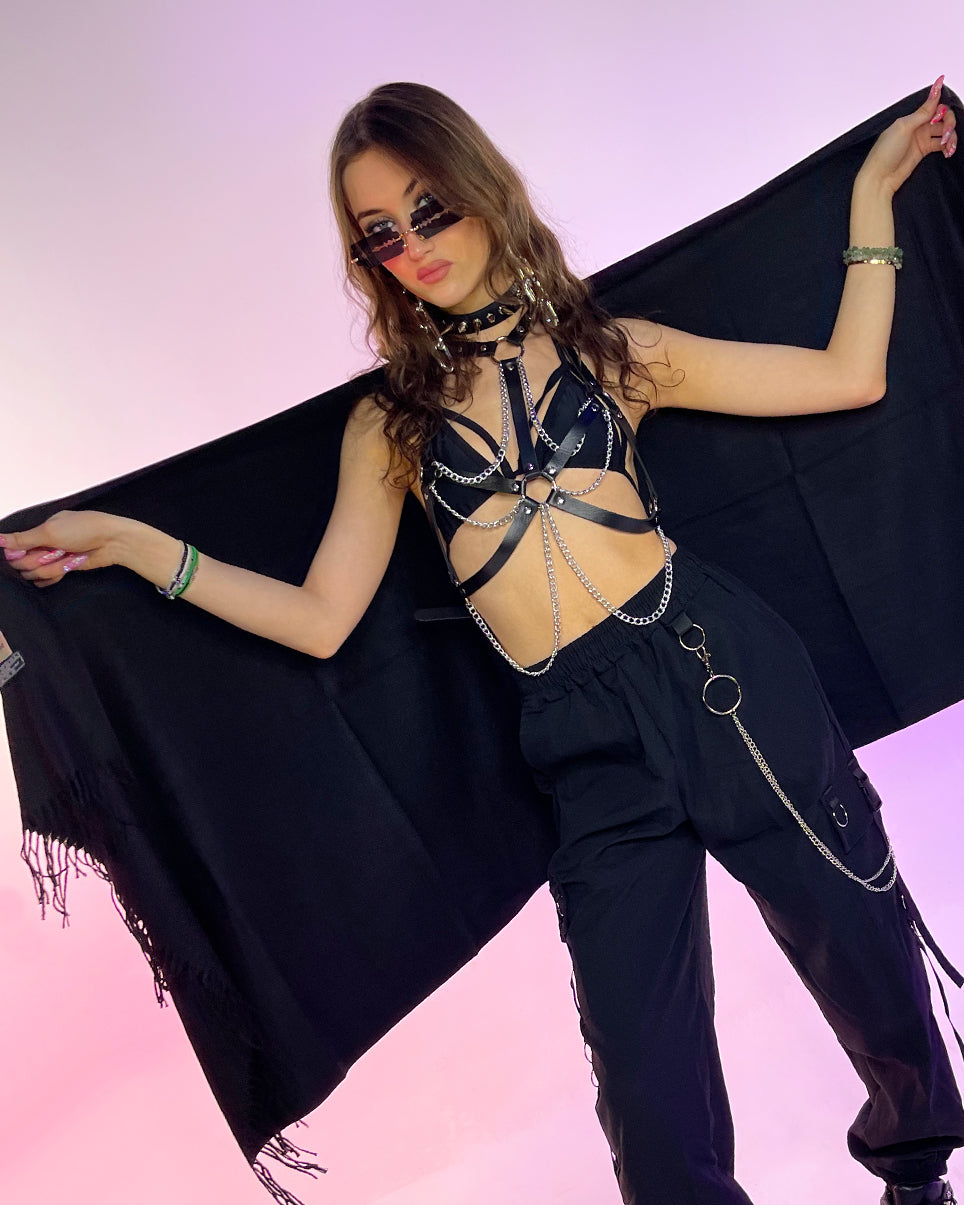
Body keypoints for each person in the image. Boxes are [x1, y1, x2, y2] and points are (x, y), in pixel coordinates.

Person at [0, 79, 962, 1205]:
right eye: (381, 234)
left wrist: (871, 192)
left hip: (716, 673)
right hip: (581, 739)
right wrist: (133, 543)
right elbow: (320, 617)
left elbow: (849, 376)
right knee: (646, 1089)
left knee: (862, 949)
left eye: (429, 210)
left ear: (481, 190)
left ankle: (915, 1172)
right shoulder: (392, 424)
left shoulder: (613, 350)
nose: (412, 246)